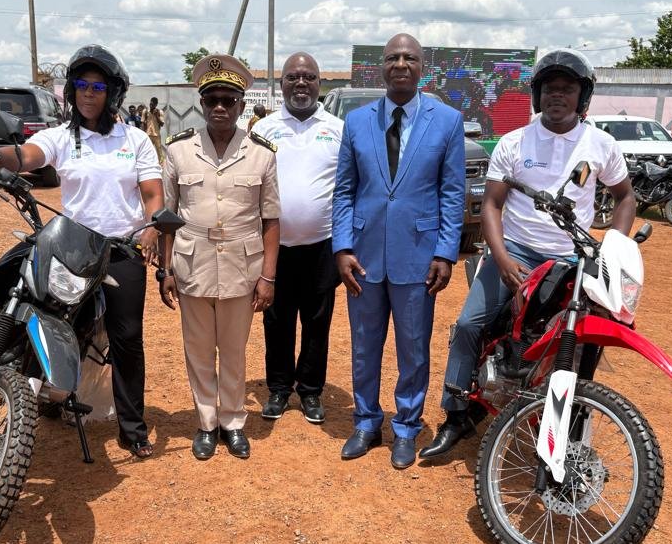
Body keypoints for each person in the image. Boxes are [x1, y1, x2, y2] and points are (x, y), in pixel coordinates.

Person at [421, 48, 636, 460]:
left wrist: (614, 246)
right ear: (537, 95)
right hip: (515, 250)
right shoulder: (514, 142)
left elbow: (625, 197)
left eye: (567, 89)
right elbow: (491, 205)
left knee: (582, 341)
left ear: (582, 96)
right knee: (468, 324)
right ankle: (457, 414)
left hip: (573, 258)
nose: (558, 95)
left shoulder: (601, 145)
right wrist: (502, 258)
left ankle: (567, 423)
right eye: (550, 88)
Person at [0, 44, 164, 459]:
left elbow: (152, 195)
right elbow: (26, 156)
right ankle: (32, 395)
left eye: (98, 86)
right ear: (71, 90)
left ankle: (132, 428)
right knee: (38, 313)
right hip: (73, 249)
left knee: (127, 338)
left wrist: (151, 229)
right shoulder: (61, 137)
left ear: (113, 92)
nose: (89, 93)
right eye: (81, 85)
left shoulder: (136, 139)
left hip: (121, 250)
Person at [332, 33, 466, 470]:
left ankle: (406, 427)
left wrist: (445, 253)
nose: (401, 64)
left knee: (414, 348)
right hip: (364, 256)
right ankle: (366, 422)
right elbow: (344, 190)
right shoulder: (357, 121)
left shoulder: (447, 121)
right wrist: (342, 246)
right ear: (382, 67)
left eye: (410, 57)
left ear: (422, 67)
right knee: (364, 346)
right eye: (393, 57)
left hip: (419, 256)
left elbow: (452, 193)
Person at [159, 53, 281, 460]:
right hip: (191, 263)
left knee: (233, 350)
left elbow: (271, 220)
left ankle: (232, 422)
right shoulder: (179, 151)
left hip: (241, 268)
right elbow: (167, 218)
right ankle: (206, 423)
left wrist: (268, 276)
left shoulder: (263, 153)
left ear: (242, 106)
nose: (220, 107)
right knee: (197, 350)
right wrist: (165, 270)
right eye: (212, 99)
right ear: (202, 103)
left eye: (228, 100)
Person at [253, 52, 343, 425]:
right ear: (281, 84)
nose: (300, 83)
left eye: (308, 77)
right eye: (292, 77)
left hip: (323, 245)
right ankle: (278, 388)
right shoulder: (264, 129)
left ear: (320, 83)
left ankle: (310, 391)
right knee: (276, 319)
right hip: (274, 246)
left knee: (317, 321)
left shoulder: (338, 129)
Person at [145, 96, 165, 162]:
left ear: (156, 105)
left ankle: (161, 164)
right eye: (150, 104)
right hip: (148, 135)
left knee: (159, 151)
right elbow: (143, 123)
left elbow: (162, 124)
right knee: (147, 151)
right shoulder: (146, 112)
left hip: (156, 135)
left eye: (152, 104)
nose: (151, 105)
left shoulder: (160, 112)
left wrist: (156, 116)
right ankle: (148, 163)